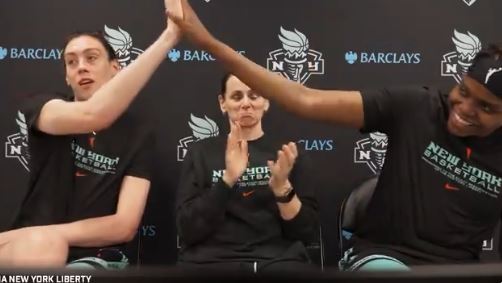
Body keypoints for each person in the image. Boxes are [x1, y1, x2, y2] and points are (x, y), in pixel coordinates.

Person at [168, 0, 502, 270]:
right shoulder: (417, 106)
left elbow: (302, 230)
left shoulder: (287, 155)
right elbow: (305, 99)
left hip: (460, 269)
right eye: (463, 91)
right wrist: (209, 44)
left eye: (486, 108)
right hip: (385, 257)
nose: (465, 109)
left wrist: (283, 189)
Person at [0, 0, 184, 268]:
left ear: (116, 68)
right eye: (71, 62)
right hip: (28, 250)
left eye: (92, 58)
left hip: (96, 257)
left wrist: (51, 235)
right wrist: (32, 238)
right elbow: (92, 115)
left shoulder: (138, 135)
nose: (81, 67)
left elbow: (124, 226)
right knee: (41, 246)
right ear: (66, 76)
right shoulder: (42, 108)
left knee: (46, 243)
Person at [176, 73, 319, 274]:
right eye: (236, 96)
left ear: (266, 101)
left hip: (276, 262)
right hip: (211, 263)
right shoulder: (200, 153)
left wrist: (282, 189)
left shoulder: (287, 153)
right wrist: (228, 179)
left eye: (254, 96)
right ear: (222, 103)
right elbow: (188, 229)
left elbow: (306, 232)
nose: (246, 104)